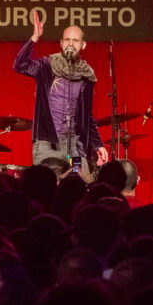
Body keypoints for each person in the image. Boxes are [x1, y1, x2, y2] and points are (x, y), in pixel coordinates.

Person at [14, 10, 108, 181]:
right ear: (61, 43)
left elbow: (87, 116)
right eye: (67, 40)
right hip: (47, 144)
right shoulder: (47, 65)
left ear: (83, 44)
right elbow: (20, 65)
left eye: (75, 40)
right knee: (44, 187)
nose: (71, 44)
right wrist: (34, 38)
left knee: (79, 185)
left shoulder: (87, 75)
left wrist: (98, 144)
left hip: (74, 147)